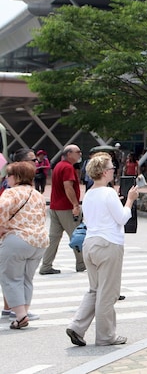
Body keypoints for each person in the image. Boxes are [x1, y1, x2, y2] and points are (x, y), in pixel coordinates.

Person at [65, 153, 139, 346]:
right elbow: (122, 218)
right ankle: (106, 336)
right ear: (106, 172)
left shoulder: (90, 193)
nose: (114, 171)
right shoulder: (108, 193)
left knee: (95, 289)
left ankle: (77, 326)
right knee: (108, 292)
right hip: (108, 243)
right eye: (112, 168)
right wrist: (129, 200)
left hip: (90, 243)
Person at [0, 160, 49, 330]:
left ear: (17, 176)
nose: (7, 179)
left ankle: (20, 316)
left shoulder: (10, 193)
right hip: (40, 241)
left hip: (18, 239)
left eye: (9, 175)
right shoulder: (38, 194)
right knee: (27, 279)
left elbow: (1, 211)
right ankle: (23, 313)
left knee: (11, 278)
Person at [40, 145, 86, 275]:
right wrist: (75, 205)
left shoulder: (59, 166)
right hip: (66, 208)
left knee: (53, 238)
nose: (80, 154)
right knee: (77, 235)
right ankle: (81, 264)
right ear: (69, 153)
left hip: (55, 207)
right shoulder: (67, 167)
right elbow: (68, 187)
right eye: (78, 152)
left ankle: (46, 265)